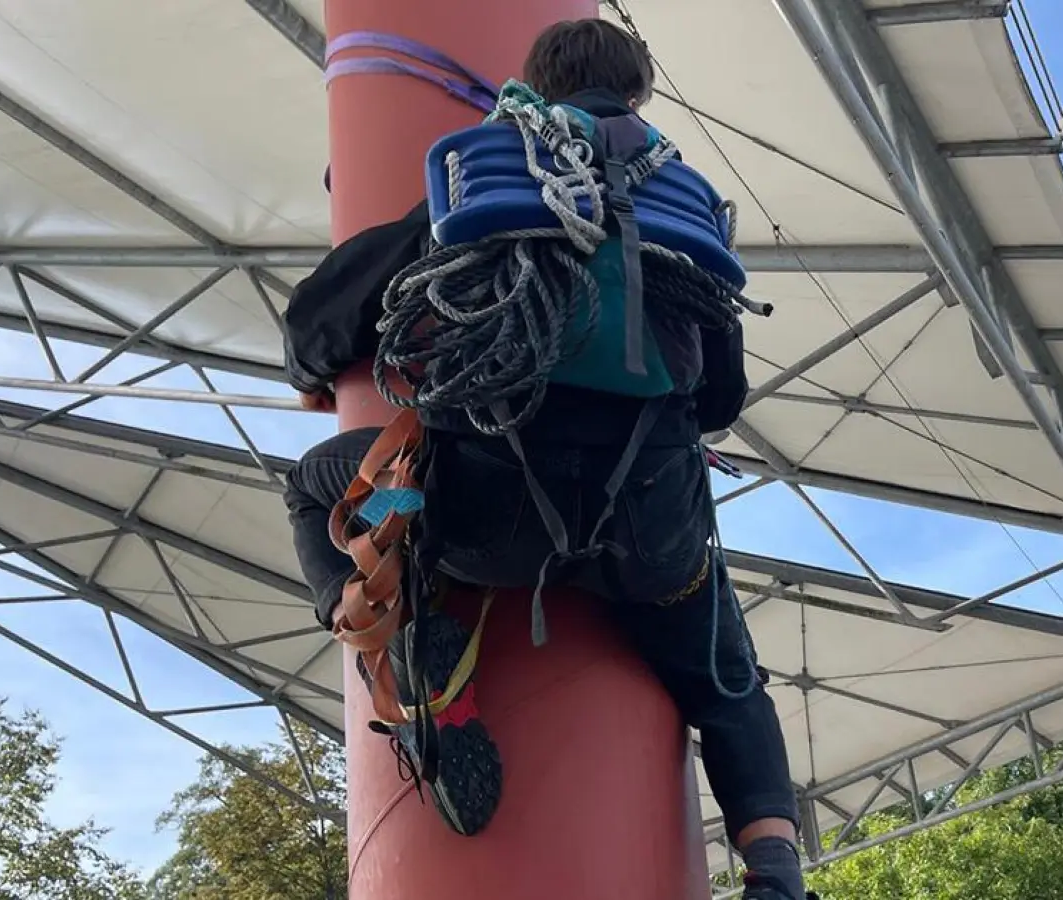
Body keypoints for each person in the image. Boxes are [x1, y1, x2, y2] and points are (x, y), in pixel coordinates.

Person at [282, 19, 812, 900]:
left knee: (313, 489)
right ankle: (777, 873)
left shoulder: (488, 175)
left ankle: (406, 652)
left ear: (533, 82)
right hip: (651, 542)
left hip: (475, 518)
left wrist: (312, 372)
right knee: (727, 685)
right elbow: (717, 402)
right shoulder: (685, 210)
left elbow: (325, 317)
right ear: (639, 93)